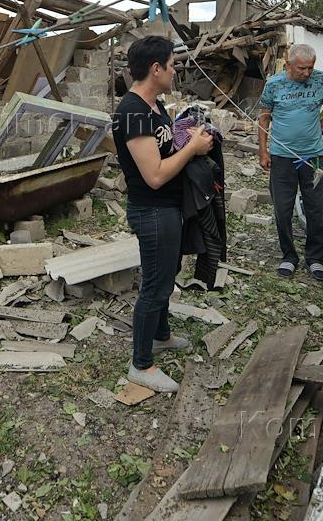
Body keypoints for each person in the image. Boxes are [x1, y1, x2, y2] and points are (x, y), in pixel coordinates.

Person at [113, 36, 214, 393]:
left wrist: (188, 136)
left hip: (168, 208)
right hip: (152, 211)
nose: (175, 72)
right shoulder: (132, 112)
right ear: (155, 69)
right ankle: (141, 364)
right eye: (172, 66)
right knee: (155, 287)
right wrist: (192, 149)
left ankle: (161, 335)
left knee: (167, 275)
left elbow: (165, 148)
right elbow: (154, 175)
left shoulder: (154, 106)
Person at [258, 44, 323, 280]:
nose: (306, 73)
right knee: (282, 209)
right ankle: (289, 256)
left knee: (315, 208)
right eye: (301, 68)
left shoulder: (320, 80)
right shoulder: (274, 84)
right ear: (288, 64)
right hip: (281, 156)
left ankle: (315, 258)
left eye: (310, 68)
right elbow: (263, 118)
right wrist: (263, 151)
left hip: (312, 156)